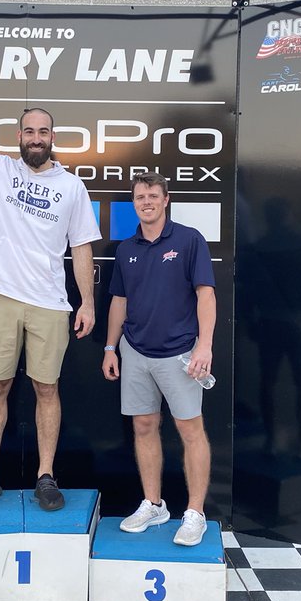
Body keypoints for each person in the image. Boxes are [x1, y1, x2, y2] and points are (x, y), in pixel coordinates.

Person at [0, 45, 101, 511]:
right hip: (1, 297)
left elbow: (82, 247)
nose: (35, 137)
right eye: (28, 130)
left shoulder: (72, 186)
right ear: (18, 136)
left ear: (52, 137)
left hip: (50, 303)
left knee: (47, 389)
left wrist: (86, 302)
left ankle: (46, 475)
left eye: (43, 131)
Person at [102, 172, 216, 546]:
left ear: (166, 200)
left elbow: (205, 295)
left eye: (153, 195)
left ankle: (195, 513)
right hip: (135, 350)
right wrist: (109, 347)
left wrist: (205, 346)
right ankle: (154, 505)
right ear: (133, 203)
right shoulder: (125, 248)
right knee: (144, 427)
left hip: (181, 353)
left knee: (190, 430)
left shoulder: (189, 240)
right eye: (140, 197)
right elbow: (120, 300)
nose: (146, 202)